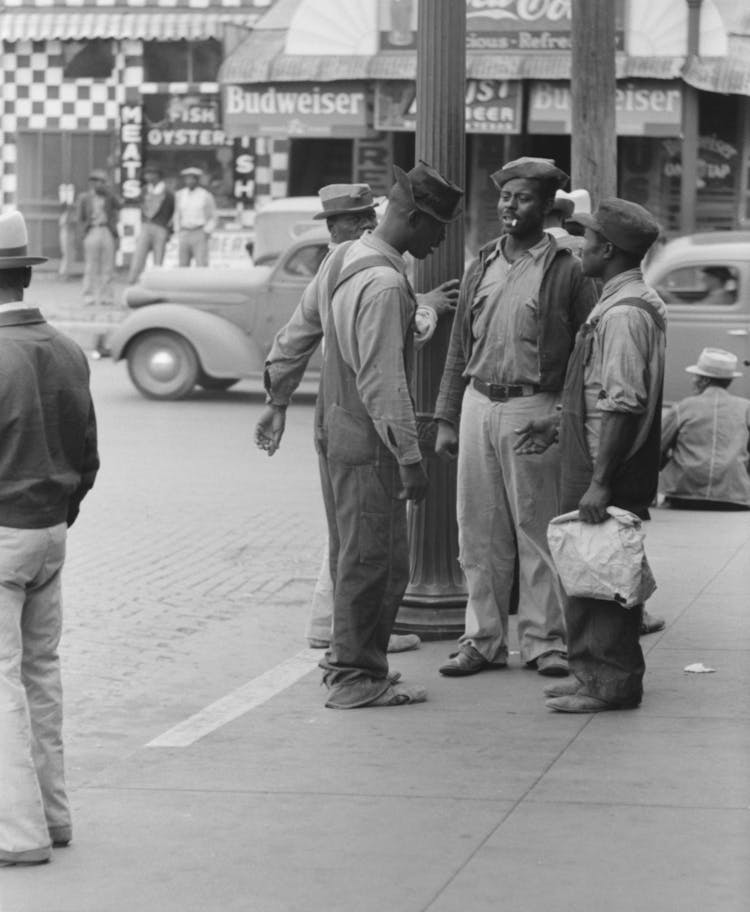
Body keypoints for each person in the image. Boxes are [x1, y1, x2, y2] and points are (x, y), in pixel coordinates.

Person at [258, 162, 463, 708]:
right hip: (369, 440)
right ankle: (356, 678)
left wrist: (276, 401)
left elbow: (294, 335)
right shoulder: (386, 283)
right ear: (414, 219)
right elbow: (383, 381)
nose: (441, 238)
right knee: (376, 560)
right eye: (439, 226)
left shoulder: (341, 259)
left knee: (356, 555)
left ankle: (351, 663)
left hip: (334, 428)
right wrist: (410, 459)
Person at [434, 157, 598, 679]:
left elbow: (583, 355)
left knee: (536, 528)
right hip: (480, 403)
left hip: (535, 406)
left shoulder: (568, 269)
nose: (509, 206)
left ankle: (543, 641)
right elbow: (460, 347)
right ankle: (482, 640)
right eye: (505, 197)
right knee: (477, 531)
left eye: (522, 198)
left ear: (546, 207)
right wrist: (445, 417)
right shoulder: (481, 262)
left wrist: (564, 419)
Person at [515, 198, 667, 714]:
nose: (580, 245)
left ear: (607, 249)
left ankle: (610, 682)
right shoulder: (617, 302)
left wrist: (601, 480)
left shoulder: (624, 314)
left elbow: (623, 403)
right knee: (585, 562)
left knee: (604, 571)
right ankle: (591, 672)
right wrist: (557, 422)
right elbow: (601, 391)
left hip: (607, 460)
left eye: (588, 239)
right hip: (595, 451)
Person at [0, 211, 99, 867]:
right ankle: (54, 816)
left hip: (3, 536)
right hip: (49, 535)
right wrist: (57, 514)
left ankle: (18, 835)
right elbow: (88, 461)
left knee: (3, 683)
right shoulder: (64, 348)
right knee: (40, 677)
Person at [660, 347, 750, 510]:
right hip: (734, 497)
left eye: (695, 376)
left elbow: (658, 448)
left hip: (684, 495)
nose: (692, 380)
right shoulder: (745, 408)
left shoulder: (683, 407)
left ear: (704, 380)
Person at [76, 169, 120, 305]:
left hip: (107, 229)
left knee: (108, 266)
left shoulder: (110, 197)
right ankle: (88, 296)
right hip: (92, 230)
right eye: (97, 182)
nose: (100, 185)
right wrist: (83, 233)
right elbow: (80, 217)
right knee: (90, 266)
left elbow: (120, 206)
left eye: (103, 182)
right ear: (92, 183)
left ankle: (107, 296)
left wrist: (110, 191)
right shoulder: (85, 198)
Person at [128, 165, 175, 284]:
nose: (147, 176)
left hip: (161, 227)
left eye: (150, 174)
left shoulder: (168, 193)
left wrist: (169, 230)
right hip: (146, 226)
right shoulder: (144, 190)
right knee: (138, 258)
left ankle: (156, 286)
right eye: (146, 174)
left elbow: (173, 212)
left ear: (157, 176)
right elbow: (141, 207)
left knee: (158, 260)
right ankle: (133, 285)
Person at [174, 167, 216, 268]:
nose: (190, 181)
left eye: (193, 179)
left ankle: (202, 284)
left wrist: (207, 231)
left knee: (201, 263)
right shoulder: (180, 195)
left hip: (199, 232)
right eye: (187, 179)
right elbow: (176, 214)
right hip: (184, 232)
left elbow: (213, 216)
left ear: (197, 180)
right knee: (183, 264)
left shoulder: (205, 195)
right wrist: (177, 230)